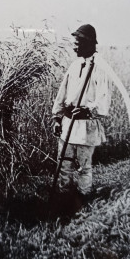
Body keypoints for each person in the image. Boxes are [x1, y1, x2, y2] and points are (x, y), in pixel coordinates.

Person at [52, 24, 111, 204]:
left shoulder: (100, 68)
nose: (74, 47)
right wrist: (57, 118)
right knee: (64, 164)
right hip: (68, 124)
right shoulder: (74, 65)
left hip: (86, 125)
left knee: (84, 167)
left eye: (77, 43)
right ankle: (63, 198)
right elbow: (62, 94)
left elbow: (104, 100)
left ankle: (83, 199)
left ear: (88, 43)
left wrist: (87, 109)